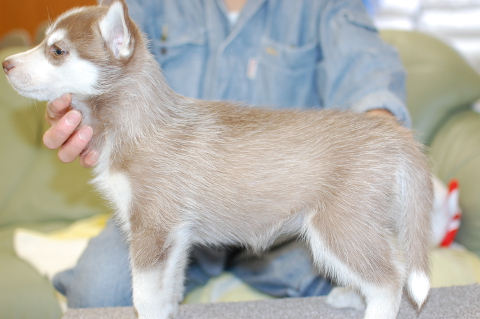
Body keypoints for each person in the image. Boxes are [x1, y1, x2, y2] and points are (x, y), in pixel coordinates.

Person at [44, 0, 410, 308]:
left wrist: (372, 150)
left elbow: (369, 73)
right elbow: (98, 61)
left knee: (348, 280)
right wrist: (77, 110)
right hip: (165, 204)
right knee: (95, 294)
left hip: (283, 215)